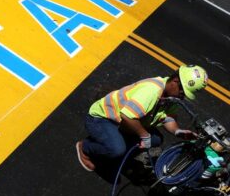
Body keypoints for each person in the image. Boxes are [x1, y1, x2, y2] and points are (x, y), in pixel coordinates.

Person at [76, 64, 208, 171]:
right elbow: (127, 116)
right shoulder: (151, 91)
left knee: (156, 139)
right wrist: (144, 135)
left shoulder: (171, 97)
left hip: (123, 123)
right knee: (117, 149)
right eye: (182, 92)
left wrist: (177, 131)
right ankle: (85, 147)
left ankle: (113, 145)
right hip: (102, 118)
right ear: (175, 81)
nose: (182, 96)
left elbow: (168, 118)